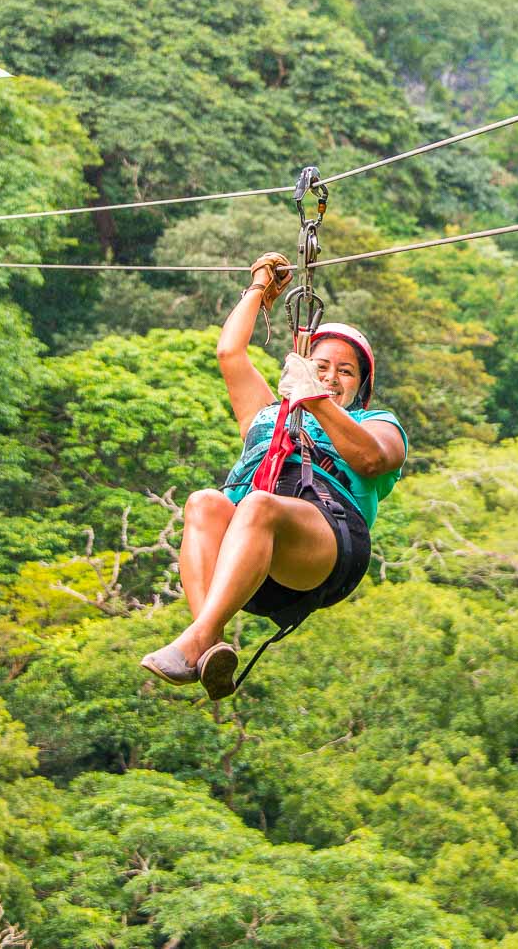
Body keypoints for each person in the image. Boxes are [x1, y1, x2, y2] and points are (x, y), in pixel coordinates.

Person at [141, 252, 408, 699]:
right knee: (204, 501)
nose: (331, 377)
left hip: (326, 545)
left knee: (259, 505)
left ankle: (196, 638)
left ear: (359, 385)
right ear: (303, 368)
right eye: (321, 367)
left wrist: (314, 398)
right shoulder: (268, 415)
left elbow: (373, 461)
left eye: (345, 372)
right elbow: (230, 352)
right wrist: (258, 290)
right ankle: (210, 640)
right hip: (251, 565)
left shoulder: (377, 421)